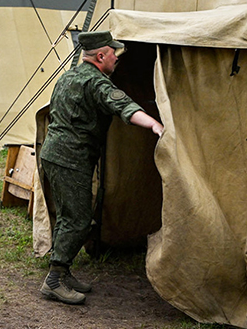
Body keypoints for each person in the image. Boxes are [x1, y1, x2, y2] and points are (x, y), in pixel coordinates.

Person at [39, 31, 163, 305]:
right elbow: (125, 107)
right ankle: (54, 280)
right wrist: (155, 125)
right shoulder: (96, 82)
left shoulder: (69, 76)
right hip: (71, 158)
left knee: (68, 216)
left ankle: (63, 271)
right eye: (114, 54)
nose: (117, 60)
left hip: (53, 153)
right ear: (101, 56)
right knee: (79, 219)